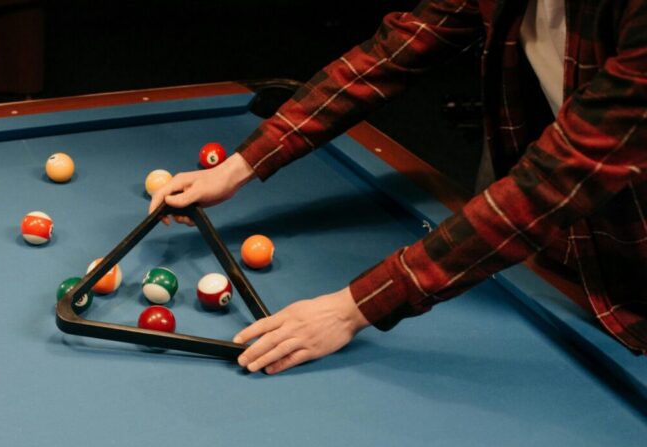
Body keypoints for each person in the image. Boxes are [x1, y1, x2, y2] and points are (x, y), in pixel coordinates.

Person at [149, 0, 647, 374]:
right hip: (570, 224)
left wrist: (353, 307)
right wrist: (241, 164)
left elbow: (554, 180)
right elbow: (395, 52)